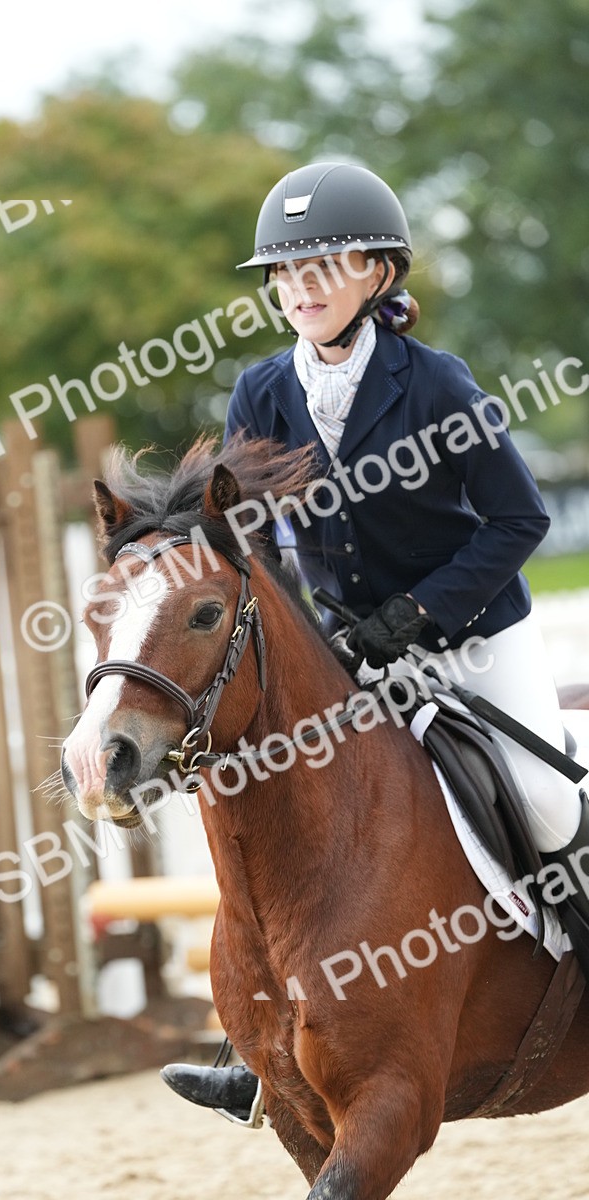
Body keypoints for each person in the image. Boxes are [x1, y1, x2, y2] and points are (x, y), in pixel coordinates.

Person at [160, 160, 589, 1126]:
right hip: (346, 649)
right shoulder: (261, 390)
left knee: (544, 800)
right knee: (273, 808)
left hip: (474, 639)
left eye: (322, 265)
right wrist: (303, 633)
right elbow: (249, 542)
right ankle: (257, 1050)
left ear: (377, 272)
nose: (300, 286)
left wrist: (421, 615)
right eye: (285, 271)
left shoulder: (435, 383)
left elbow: (518, 520)